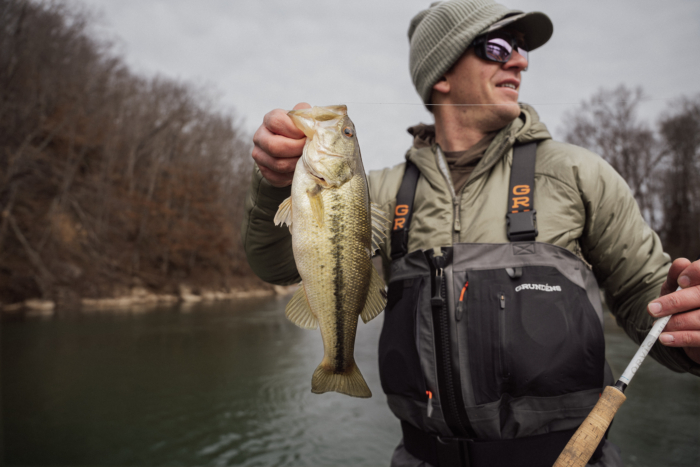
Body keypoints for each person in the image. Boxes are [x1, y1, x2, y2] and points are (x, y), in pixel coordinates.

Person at [243, 1, 700, 465]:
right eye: (498, 46)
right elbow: (276, 265)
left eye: (521, 50)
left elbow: (649, 303)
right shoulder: (375, 190)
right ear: (441, 73)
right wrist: (274, 185)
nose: (520, 60)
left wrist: (689, 326)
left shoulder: (581, 174)